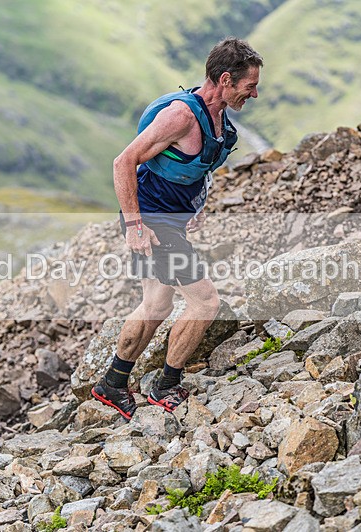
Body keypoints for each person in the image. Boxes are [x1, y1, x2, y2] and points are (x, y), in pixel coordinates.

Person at [92, 38, 262, 420]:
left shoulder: (218, 119)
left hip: (171, 219)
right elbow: (124, 161)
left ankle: (112, 383)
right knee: (205, 302)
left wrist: (196, 205)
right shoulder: (180, 116)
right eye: (249, 86)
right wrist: (134, 225)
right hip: (151, 221)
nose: (255, 93)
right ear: (225, 80)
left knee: (157, 304)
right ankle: (166, 386)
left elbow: (198, 168)